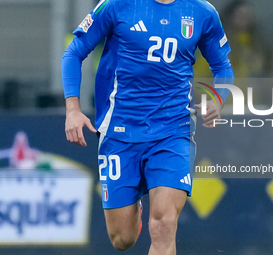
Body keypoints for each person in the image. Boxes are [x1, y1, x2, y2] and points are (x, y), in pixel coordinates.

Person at [61, 0, 233, 254]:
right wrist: (73, 110)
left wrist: (218, 99)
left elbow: (223, 66)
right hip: (120, 130)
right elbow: (73, 52)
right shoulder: (117, 5)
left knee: (164, 223)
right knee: (122, 238)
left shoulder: (202, 12)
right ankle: (136, 203)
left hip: (173, 130)